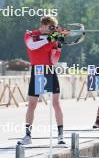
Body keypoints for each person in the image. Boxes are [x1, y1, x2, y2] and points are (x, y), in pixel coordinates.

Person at [19, 16, 65, 145]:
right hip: (37, 70)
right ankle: (27, 136)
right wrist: (50, 39)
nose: (50, 30)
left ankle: (60, 136)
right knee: (32, 104)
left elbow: (54, 61)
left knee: (56, 103)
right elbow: (32, 46)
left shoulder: (52, 39)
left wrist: (58, 45)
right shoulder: (30, 34)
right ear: (44, 25)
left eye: (52, 29)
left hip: (49, 70)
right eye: (50, 28)